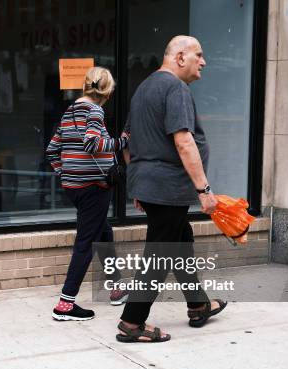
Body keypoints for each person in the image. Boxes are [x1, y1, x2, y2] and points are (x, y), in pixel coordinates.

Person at [118, 36, 227, 342]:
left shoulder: (144, 88)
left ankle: (198, 304)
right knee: (161, 255)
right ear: (180, 57)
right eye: (199, 55)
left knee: (180, 244)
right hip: (167, 188)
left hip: (155, 187)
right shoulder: (175, 88)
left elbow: (127, 140)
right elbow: (183, 141)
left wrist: (139, 183)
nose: (203, 62)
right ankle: (132, 323)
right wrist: (204, 189)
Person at [46, 67, 129, 321]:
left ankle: (116, 287)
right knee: (85, 243)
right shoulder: (95, 110)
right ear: (107, 90)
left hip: (74, 188)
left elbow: (51, 150)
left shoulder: (69, 111)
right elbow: (93, 142)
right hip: (94, 188)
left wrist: (66, 175)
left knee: (103, 231)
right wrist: (121, 142)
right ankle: (66, 304)